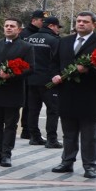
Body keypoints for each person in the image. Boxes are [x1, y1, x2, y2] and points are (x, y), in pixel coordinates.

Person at [50, 11, 96, 179]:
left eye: (85, 21)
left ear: (94, 25)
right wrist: (54, 76)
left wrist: (89, 69)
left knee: (90, 135)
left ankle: (90, 166)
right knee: (69, 133)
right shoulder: (64, 41)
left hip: (90, 96)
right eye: (79, 21)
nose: (81, 24)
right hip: (67, 94)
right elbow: (54, 63)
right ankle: (67, 162)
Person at [0, 17, 34, 168]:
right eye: (6, 26)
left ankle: (6, 155)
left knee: (10, 125)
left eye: (12, 26)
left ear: (19, 30)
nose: (9, 28)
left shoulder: (26, 47)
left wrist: (11, 75)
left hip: (13, 92)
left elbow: (30, 69)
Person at [22, 15, 61, 146]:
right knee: (53, 110)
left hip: (30, 80)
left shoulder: (29, 39)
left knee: (33, 110)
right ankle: (51, 139)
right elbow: (58, 60)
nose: (58, 30)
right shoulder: (54, 41)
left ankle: (34, 137)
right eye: (57, 27)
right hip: (48, 81)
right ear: (51, 26)